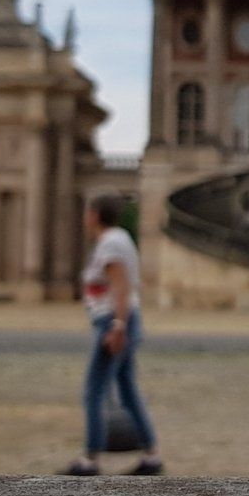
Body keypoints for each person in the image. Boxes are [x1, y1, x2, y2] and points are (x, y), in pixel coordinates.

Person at [63, 195, 162, 476]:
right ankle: (152, 456)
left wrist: (118, 326)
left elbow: (120, 287)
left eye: (87, 212)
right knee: (127, 388)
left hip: (113, 322)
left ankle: (90, 459)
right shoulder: (118, 239)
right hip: (120, 320)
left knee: (94, 390)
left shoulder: (111, 243)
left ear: (94, 214)